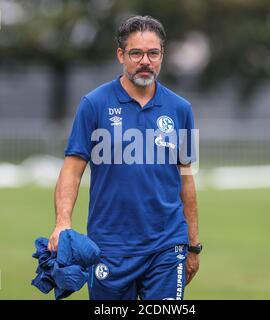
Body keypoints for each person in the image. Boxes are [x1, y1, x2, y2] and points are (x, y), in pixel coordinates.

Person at [47, 15, 201, 300]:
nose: (146, 61)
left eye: (153, 53)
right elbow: (72, 170)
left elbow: (186, 180)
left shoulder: (181, 109)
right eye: (136, 53)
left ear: (162, 55)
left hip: (167, 247)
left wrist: (192, 245)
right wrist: (62, 223)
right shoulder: (94, 104)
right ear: (121, 55)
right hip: (109, 247)